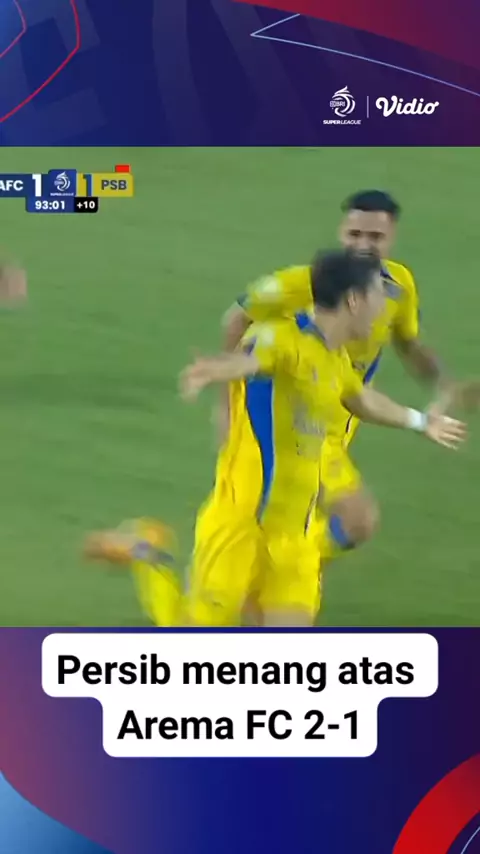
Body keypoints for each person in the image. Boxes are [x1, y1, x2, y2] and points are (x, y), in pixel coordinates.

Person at [85, 250, 465, 628]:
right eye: (378, 296)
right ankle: (148, 550)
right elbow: (253, 359)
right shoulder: (282, 337)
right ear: (353, 300)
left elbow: (362, 400)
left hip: (294, 538)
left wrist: (421, 422)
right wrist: (216, 369)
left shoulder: (335, 360)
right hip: (240, 523)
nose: (383, 310)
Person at [220, 190, 451, 563]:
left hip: (342, 417)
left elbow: (408, 342)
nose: (362, 245)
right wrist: (226, 407)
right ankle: (281, 572)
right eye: (354, 234)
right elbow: (236, 319)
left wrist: (443, 383)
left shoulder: (399, 286)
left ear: (392, 238)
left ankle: (285, 571)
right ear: (341, 232)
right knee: (352, 519)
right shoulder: (306, 283)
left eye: (375, 237)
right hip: (296, 419)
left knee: (334, 523)